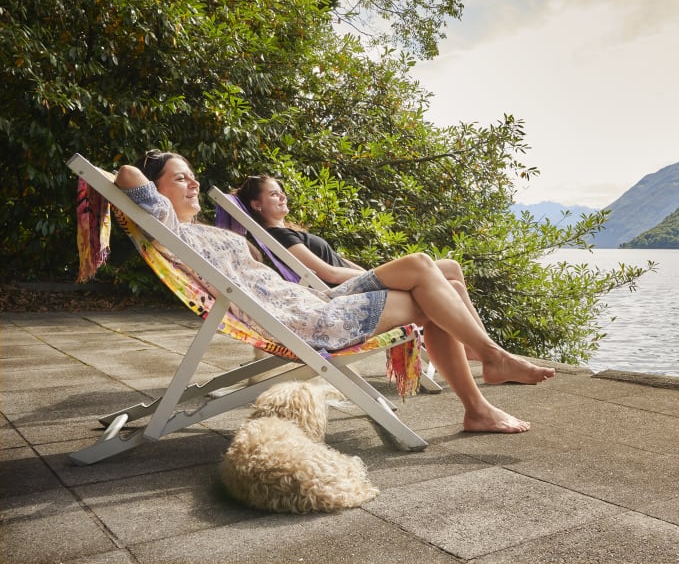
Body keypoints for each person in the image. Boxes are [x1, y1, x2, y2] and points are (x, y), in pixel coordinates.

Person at [116, 150, 555, 434]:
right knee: (428, 288)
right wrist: (150, 177)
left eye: (193, 176)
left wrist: (173, 178)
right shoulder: (170, 231)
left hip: (321, 303)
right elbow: (127, 174)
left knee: (435, 270)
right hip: (311, 322)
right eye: (180, 179)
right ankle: (487, 374)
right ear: (155, 194)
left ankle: (486, 373)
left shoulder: (200, 232)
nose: (192, 183)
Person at [235, 174, 485, 360]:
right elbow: (327, 272)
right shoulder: (279, 236)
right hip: (344, 293)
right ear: (257, 205)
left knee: (453, 285)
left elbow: (339, 263)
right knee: (448, 267)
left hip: (353, 283)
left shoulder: (288, 231)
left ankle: (476, 347)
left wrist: (380, 273)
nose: (282, 196)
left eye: (281, 192)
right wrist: (376, 275)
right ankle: (481, 349)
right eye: (273, 194)